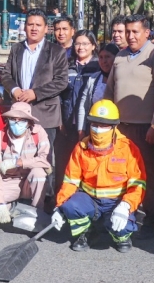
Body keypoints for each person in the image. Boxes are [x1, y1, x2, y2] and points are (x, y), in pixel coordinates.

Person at [104, 14, 154, 238]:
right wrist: (106, 123)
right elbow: (109, 90)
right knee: (120, 172)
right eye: (128, 31)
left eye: (135, 32)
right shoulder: (120, 56)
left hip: (146, 129)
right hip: (120, 128)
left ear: (146, 33)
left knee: (148, 174)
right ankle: (125, 214)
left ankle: (152, 219)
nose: (130, 36)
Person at [51, 100, 146, 252]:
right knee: (70, 207)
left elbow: (138, 184)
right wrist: (59, 207)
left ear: (114, 127)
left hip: (116, 203)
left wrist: (125, 206)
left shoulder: (128, 149)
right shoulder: (81, 148)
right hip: (90, 200)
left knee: (123, 227)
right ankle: (86, 233)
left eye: (103, 125)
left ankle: (121, 237)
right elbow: (70, 181)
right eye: (95, 124)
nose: (98, 129)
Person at [0, 8, 69, 200]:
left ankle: (45, 201)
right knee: (18, 155)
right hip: (20, 116)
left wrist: (35, 93)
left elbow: (61, 81)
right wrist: (15, 90)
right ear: (25, 27)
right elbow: (5, 75)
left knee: (44, 160)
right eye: (30, 24)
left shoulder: (56, 51)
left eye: (38, 25)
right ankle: (19, 196)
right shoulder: (16, 49)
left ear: (46, 29)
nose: (34, 28)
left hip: (45, 115)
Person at [0, 102, 52, 222]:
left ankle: (37, 213)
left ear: (29, 122)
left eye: (22, 120)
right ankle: (13, 208)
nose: (17, 123)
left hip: (30, 180)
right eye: (13, 119)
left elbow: (44, 161)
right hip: (9, 181)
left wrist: (19, 162)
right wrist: (1, 205)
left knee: (39, 173)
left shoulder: (39, 133)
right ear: (8, 120)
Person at [58, 30, 101, 190]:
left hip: (90, 126)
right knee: (66, 163)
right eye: (77, 43)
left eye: (85, 44)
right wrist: (60, 120)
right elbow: (60, 97)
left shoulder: (98, 67)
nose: (80, 47)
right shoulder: (66, 66)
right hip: (68, 125)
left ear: (93, 46)